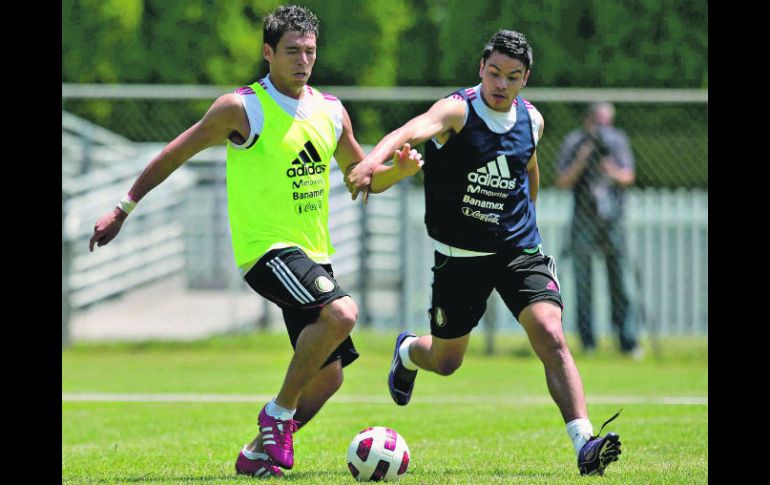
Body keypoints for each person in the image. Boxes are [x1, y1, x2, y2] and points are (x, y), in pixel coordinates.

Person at [88, 5, 421, 479]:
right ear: (268, 53)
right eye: (291, 51)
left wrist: (399, 172)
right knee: (343, 314)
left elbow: (360, 179)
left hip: (313, 257)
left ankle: (255, 453)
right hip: (265, 251)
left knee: (328, 379)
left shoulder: (331, 112)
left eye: (309, 51)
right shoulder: (241, 108)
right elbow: (174, 153)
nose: (303, 61)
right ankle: (277, 414)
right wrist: (123, 208)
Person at [347, 30, 622, 476]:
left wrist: (527, 221)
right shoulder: (458, 110)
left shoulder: (532, 120)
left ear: (525, 78)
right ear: (481, 68)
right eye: (494, 73)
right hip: (460, 257)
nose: (501, 84)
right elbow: (408, 131)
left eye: (512, 77)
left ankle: (584, 443)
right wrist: (370, 163)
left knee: (551, 333)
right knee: (447, 361)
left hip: (518, 250)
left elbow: (528, 167)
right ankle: (409, 352)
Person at [554, 102, 640, 357]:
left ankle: (628, 341)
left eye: (606, 123)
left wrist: (610, 169)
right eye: (598, 122)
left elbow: (628, 177)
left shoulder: (617, 141)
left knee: (620, 282)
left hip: (612, 219)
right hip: (583, 219)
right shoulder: (575, 141)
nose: (602, 129)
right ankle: (587, 342)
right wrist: (583, 158)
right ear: (588, 120)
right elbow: (561, 181)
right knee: (583, 283)